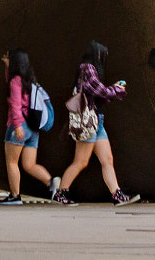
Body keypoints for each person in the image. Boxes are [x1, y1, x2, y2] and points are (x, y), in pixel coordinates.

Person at [54, 40, 137, 206]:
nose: (103, 58)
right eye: (102, 54)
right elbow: (99, 91)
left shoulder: (88, 68)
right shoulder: (88, 68)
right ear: (96, 53)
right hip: (89, 122)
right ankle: (61, 193)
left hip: (97, 122)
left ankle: (117, 195)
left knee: (107, 160)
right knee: (81, 162)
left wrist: (112, 89)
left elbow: (99, 92)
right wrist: (116, 90)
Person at [0, 49, 57, 204]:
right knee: (29, 164)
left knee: (12, 162)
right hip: (33, 128)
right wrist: (7, 67)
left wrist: (17, 126)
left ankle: (15, 196)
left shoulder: (15, 81)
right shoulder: (30, 81)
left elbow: (16, 105)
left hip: (19, 126)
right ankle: (51, 182)